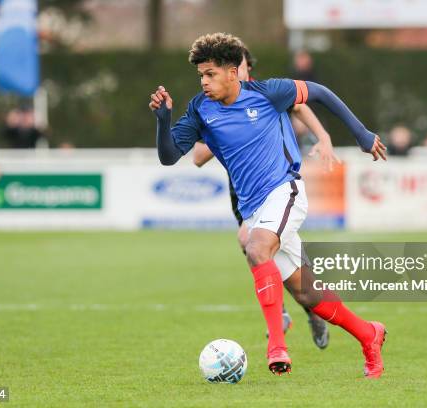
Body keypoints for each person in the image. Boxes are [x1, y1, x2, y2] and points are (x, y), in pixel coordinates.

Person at [149, 33, 387, 377]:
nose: (203, 82)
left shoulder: (267, 93)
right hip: (254, 208)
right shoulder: (201, 109)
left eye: (210, 74)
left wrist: (361, 134)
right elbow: (170, 157)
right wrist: (162, 121)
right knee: (307, 294)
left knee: (255, 247)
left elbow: (318, 93)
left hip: (285, 191)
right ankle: (369, 334)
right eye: (200, 75)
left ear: (233, 72)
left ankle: (277, 345)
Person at [192, 47, 335, 350]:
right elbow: (197, 156)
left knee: (253, 243)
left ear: (244, 69)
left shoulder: (266, 93)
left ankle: (292, 316)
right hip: (243, 193)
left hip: (277, 184)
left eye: (239, 66)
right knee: (277, 264)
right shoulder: (213, 105)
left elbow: (300, 105)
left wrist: (323, 137)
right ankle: (300, 311)